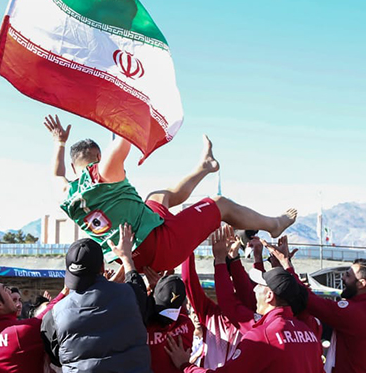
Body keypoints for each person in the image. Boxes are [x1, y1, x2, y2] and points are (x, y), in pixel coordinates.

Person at [44, 114, 296, 272]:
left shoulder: (64, 193)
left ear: (74, 164)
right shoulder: (105, 171)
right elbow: (127, 134)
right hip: (159, 246)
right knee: (220, 204)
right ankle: (273, 224)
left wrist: (59, 142)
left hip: (133, 255)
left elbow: (57, 173)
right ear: (98, 157)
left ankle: (205, 167)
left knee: (157, 197)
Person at [165, 265, 329, 373]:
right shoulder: (308, 333)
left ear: (269, 296)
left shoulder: (263, 335)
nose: (254, 290)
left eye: (258, 286)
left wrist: (185, 367)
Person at [42, 224, 160, 373]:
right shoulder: (129, 296)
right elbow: (138, 289)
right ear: (101, 267)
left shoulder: (54, 317)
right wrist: (127, 258)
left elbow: (57, 358)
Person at [178, 225, 256, 373]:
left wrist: (228, 260)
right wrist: (187, 248)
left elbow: (245, 292)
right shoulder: (209, 313)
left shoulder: (248, 316)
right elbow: (189, 283)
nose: (228, 289)